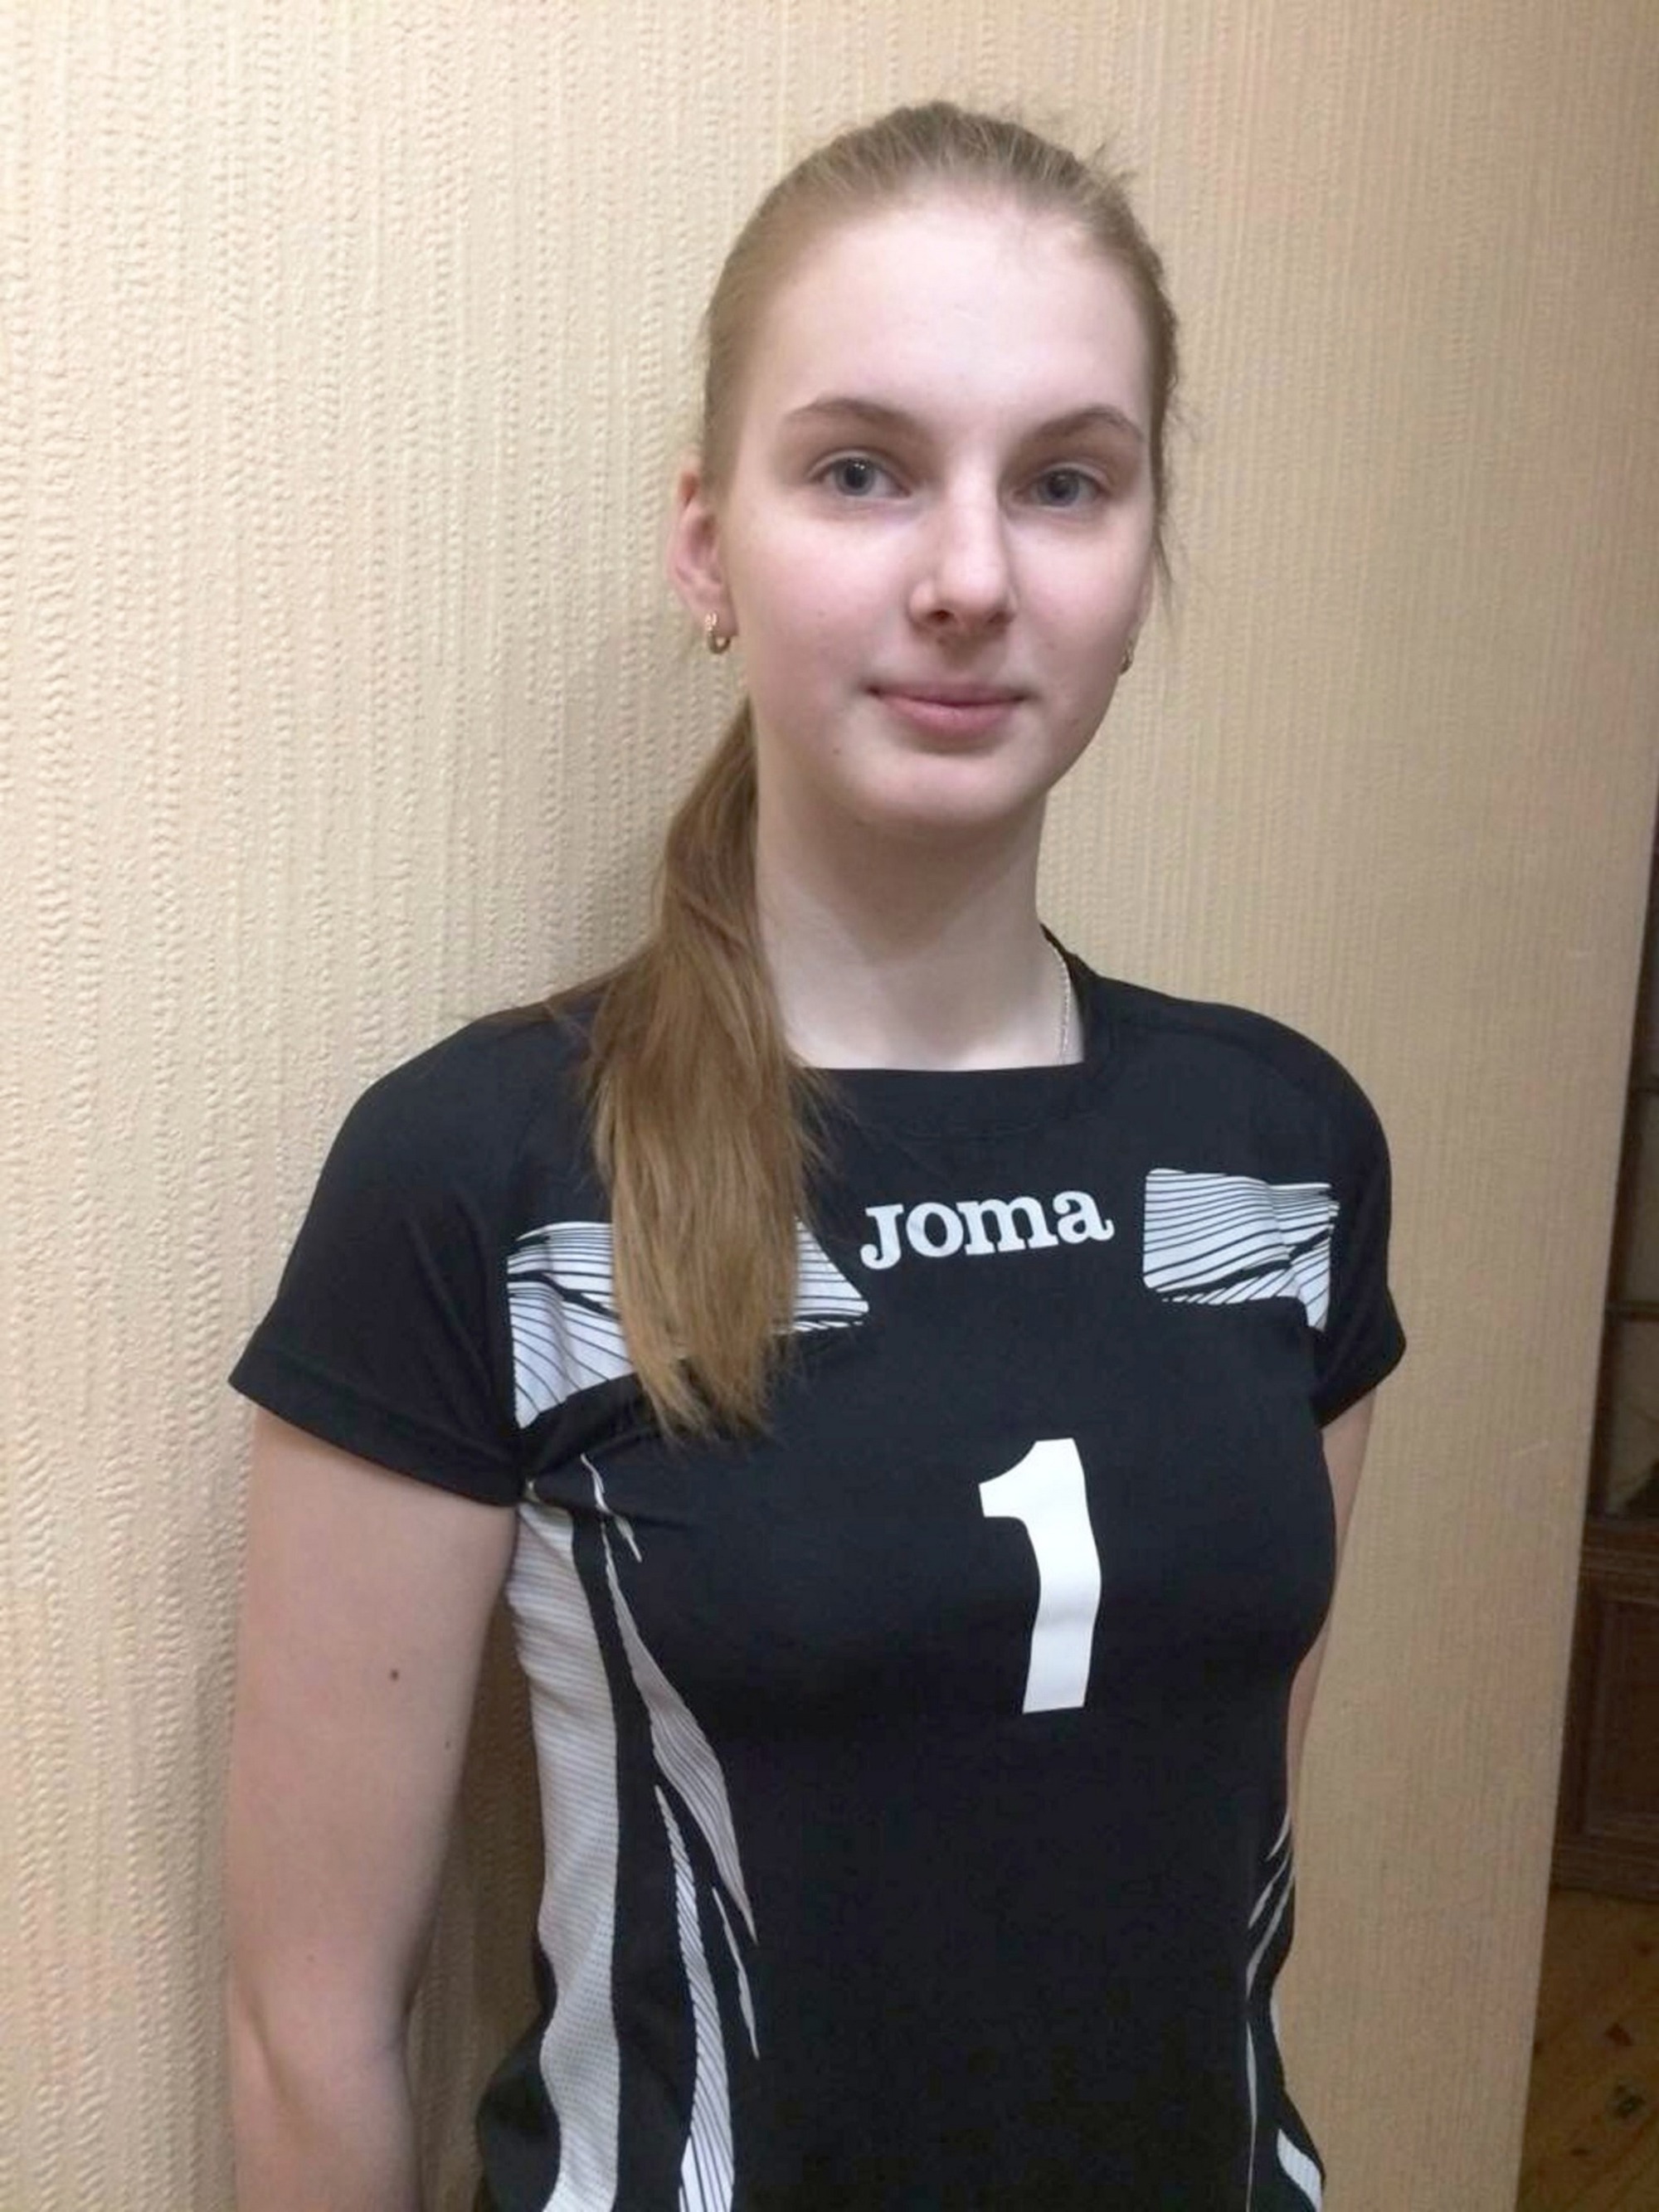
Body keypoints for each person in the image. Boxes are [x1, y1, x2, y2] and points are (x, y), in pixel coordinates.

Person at [224, 100, 1404, 2212]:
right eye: (861, 469)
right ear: (706, 544)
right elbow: (305, 2028)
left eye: (1063, 480)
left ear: (1139, 558)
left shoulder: (1281, 1155)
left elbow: (1206, 1865)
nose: (969, 576)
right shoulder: (482, 1174)